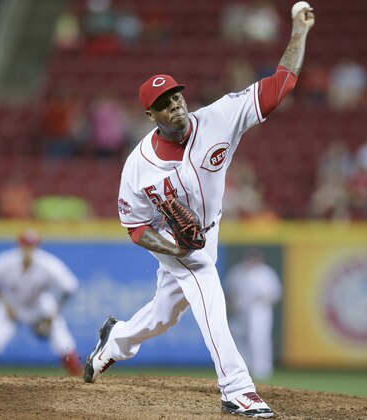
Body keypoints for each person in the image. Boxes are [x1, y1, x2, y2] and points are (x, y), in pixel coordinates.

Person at [83, 5, 314, 418]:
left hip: (211, 225)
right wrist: (175, 250)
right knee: (204, 278)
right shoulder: (138, 168)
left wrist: (298, 30)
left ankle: (115, 340)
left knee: (165, 314)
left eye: (176, 95)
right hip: (169, 236)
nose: (175, 105)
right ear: (150, 115)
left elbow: (281, 84)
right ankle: (237, 388)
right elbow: (135, 228)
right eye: (163, 103)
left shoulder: (220, 117)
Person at [0, 228, 82, 376]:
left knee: (63, 342)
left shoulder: (48, 264)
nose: (28, 249)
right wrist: (5, 304)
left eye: (32, 246)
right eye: (26, 245)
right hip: (10, 305)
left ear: (37, 247)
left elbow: (70, 286)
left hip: (39, 305)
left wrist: (55, 311)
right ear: (19, 245)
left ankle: (79, 378)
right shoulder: (4, 262)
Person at [225, 250, 282, 380]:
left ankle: (262, 369)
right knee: (238, 338)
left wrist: (264, 299)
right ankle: (243, 367)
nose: (251, 261)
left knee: (259, 339)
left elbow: (275, 294)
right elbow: (231, 291)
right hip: (240, 310)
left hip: (259, 311)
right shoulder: (238, 271)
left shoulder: (266, 273)